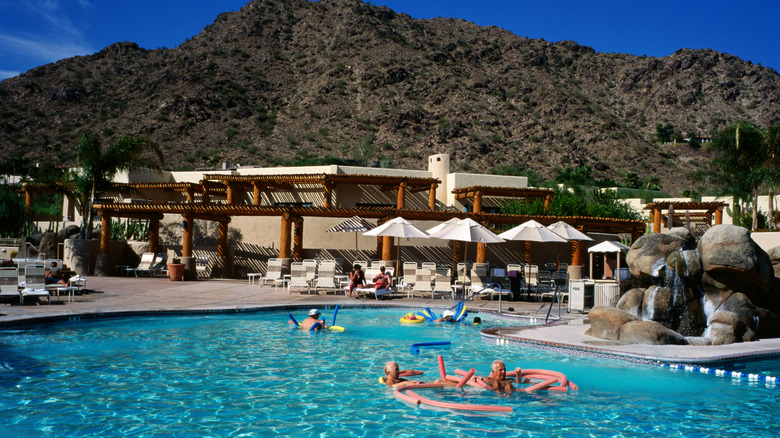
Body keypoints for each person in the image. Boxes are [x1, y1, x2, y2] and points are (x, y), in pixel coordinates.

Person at [382, 361, 457, 388]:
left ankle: (464, 383)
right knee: (438, 381)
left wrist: (406, 371)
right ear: (389, 372)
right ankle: (462, 386)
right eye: (396, 369)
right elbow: (392, 386)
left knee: (442, 380)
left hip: (419, 384)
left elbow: (397, 373)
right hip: (419, 387)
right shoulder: (390, 381)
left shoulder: (393, 375)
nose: (399, 371)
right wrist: (405, 383)